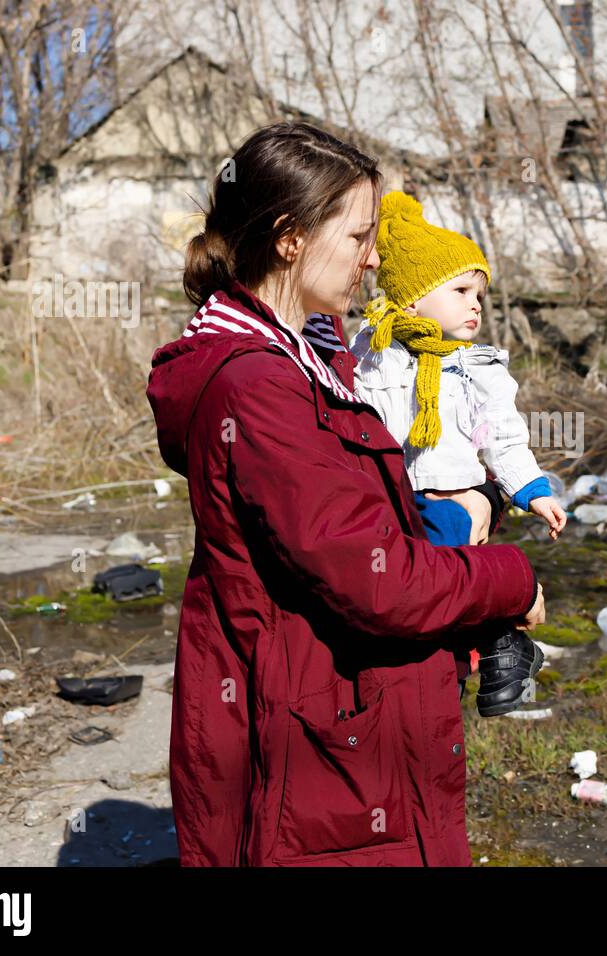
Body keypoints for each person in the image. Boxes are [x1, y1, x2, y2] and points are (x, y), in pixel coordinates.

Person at [145, 122, 545, 866]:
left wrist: (477, 500)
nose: (374, 259)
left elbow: (364, 525)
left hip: (334, 716)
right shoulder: (262, 385)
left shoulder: (323, 359)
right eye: (360, 236)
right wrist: (510, 581)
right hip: (309, 738)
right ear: (291, 238)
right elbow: (377, 580)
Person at [345, 191, 567, 716]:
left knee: (446, 567)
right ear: (413, 299)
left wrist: (531, 491)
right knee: (416, 579)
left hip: (454, 495)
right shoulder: (376, 353)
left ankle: (496, 647)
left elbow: (505, 438)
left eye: (481, 295)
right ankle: (486, 650)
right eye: (462, 289)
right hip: (397, 498)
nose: (476, 304)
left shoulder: (479, 369)